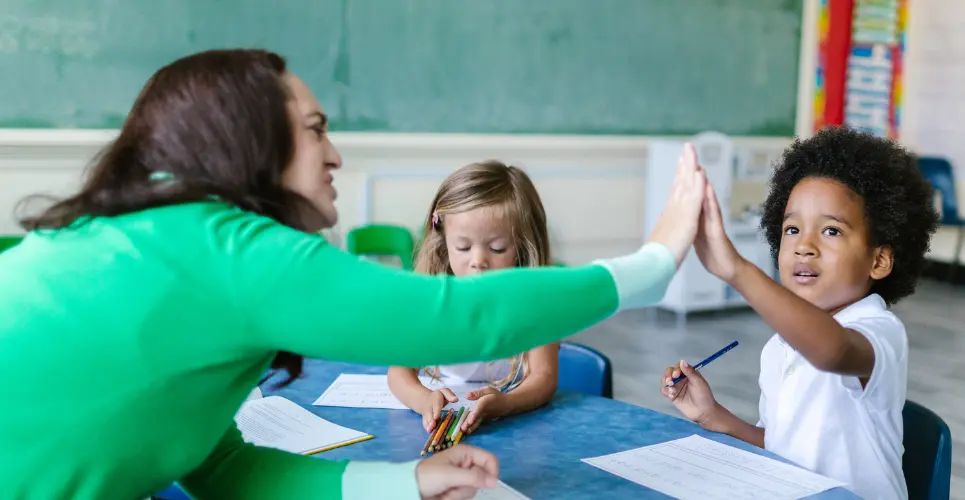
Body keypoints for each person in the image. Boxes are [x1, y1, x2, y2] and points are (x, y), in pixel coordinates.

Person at [0, 49, 708, 500]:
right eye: (315, 130)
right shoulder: (226, 248)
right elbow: (454, 316)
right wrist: (654, 262)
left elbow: (228, 472)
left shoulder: (160, 246)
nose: (335, 155)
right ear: (251, 143)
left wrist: (406, 482)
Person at [661, 126, 939, 499]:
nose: (804, 246)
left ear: (879, 259)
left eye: (831, 231)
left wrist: (737, 270)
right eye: (792, 228)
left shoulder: (879, 331)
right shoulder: (780, 347)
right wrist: (714, 416)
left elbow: (834, 351)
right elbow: (780, 449)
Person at [388, 161, 559, 435]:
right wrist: (423, 399)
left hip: (517, 427)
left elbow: (544, 378)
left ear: (523, 247)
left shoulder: (537, 304)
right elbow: (399, 373)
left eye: (497, 247)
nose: (478, 261)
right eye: (463, 246)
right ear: (443, 241)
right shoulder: (433, 300)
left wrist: (507, 403)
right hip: (448, 419)